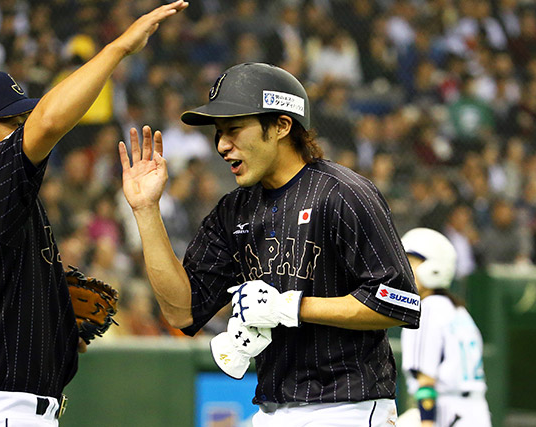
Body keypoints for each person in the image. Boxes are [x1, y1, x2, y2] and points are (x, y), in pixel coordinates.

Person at [119, 62, 420, 426]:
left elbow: (399, 303)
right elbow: (181, 312)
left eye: (233, 130)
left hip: (347, 407)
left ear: (281, 125)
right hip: (272, 408)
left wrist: (289, 307)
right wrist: (147, 210)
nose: (221, 146)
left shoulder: (344, 193)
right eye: (218, 133)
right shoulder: (234, 210)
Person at [0, 2, 188, 426]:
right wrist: (118, 49)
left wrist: (48, 320)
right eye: (14, 122)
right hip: (5, 413)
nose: (27, 128)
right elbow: (51, 120)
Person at [400, 228, 491, 427]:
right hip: (476, 413)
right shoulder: (457, 310)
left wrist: (427, 423)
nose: (404, 270)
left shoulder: (428, 309)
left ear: (432, 267)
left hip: (448, 413)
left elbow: (426, 382)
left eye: (411, 263)